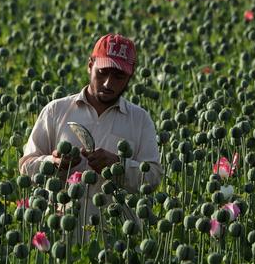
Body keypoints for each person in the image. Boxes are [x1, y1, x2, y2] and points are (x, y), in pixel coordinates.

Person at [19, 33, 163, 231]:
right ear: (90, 65)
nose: (108, 83)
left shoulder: (140, 120)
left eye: (119, 76)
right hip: (60, 229)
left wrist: (119, 166)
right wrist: (54, 164)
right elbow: (26, 166)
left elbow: (153, 176)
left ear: (131, 76)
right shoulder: (56, 111)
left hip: (116, 233)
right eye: (102, 72)